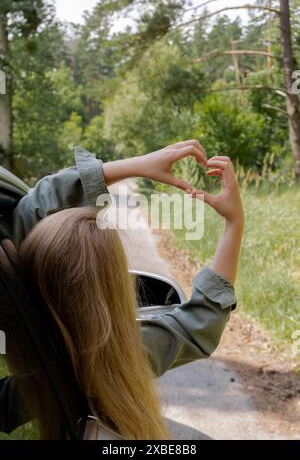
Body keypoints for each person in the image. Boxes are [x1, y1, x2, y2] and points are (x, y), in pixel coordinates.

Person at [0, 141, 244, 438]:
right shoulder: (117, 359)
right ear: (116, 287)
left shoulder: (28, 385)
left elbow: (19, 222)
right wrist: (234, 222)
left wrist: (134, 166)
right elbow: (200, 323)